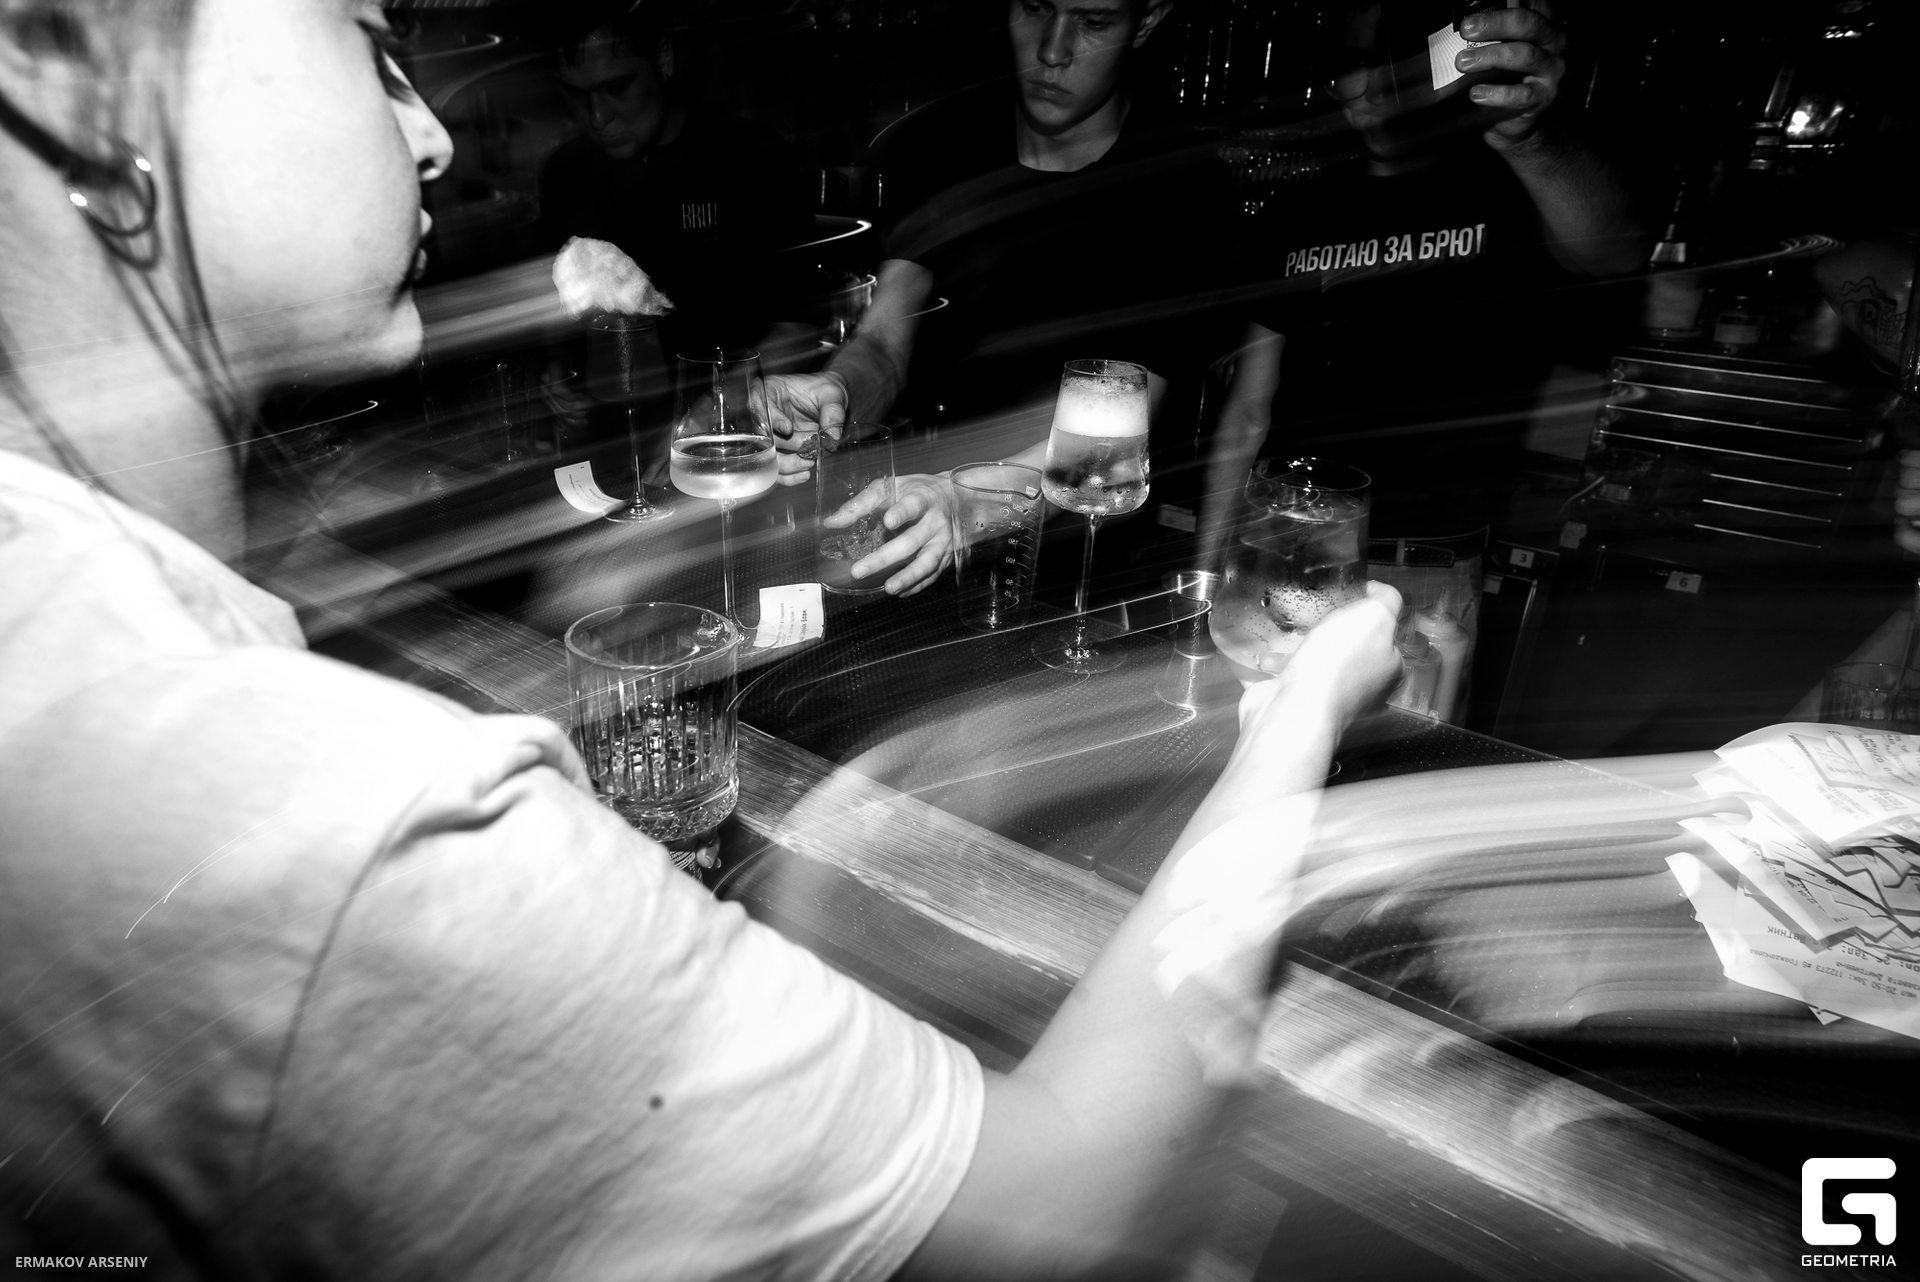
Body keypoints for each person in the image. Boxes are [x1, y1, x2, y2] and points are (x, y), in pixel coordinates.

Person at [0, 1, 1406, 1276]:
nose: (433, 135)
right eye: (368, 46)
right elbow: (1068, 1202)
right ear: (58, 64)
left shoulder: (68, 613)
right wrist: (1305, 704)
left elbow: (1125, 406)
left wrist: (985, 495)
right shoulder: (350, 827)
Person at [763, 0, 1238, 597]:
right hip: (920, 536)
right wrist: (839, 387)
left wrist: (969, 500)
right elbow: (884, 343)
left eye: (1093, 22)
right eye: (1035, 8)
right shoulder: (941, 143)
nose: (1051, 50)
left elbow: (1111, 445)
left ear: (1146, 21)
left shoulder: (1181, 183)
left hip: (1083, 571)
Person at [1200, 0, 1646, 555]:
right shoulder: (1295, 213)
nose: (1378, 88)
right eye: (1357, 64)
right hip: (1292, 538)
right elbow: (1247, 413)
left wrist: (1528, 139)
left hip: (1429, 559)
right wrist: (1207, 570)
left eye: (1401, 65)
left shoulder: (1507, 193)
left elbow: (1616, 252)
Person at [537, 0, 815, 367]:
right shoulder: (567, 173)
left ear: (663, 60)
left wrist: (727, 393)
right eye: (576, 94)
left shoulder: (752, 159)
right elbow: (555, 325)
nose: (598, 117)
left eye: (617, 87)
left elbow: (798, 326)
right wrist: (558, 374)